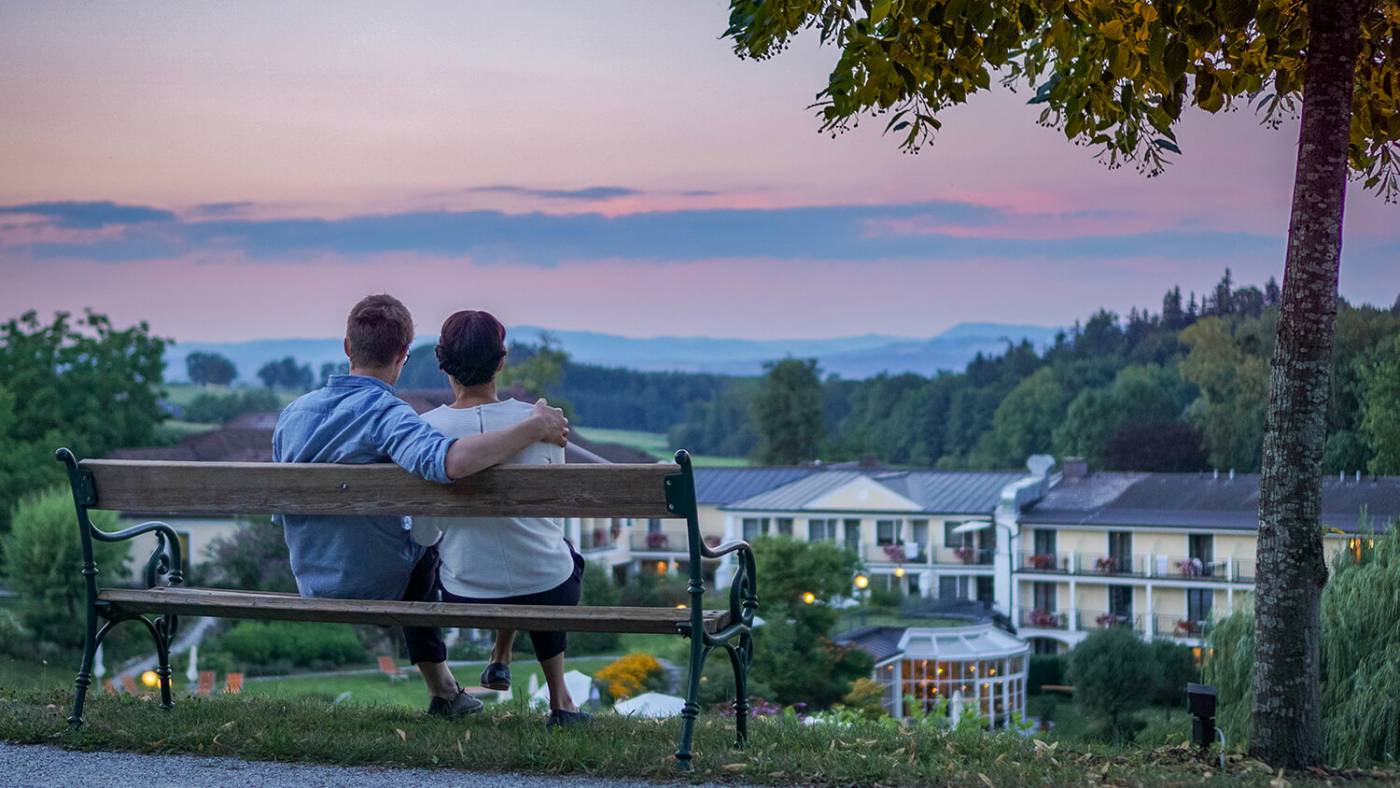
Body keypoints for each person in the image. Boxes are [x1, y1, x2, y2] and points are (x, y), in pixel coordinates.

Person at [273, 294, 569, 719]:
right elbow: (451, 463)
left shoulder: (293, 414)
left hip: (313, 577)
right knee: (425, 544)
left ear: (346, 347)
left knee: (424, 534)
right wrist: (533, 427)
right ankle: (444, 691)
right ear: (403, 355)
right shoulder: (389, 416)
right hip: (376, 581)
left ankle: (450, 688)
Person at [416, 309, 590, 727]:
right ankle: (561, 702)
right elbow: (553, 519)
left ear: (443, 361)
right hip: (547, 583)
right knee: (555, 557)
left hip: (468, 590)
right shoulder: (544, 423)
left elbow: (424, 536)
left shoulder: (423, 431)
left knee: (494, 551)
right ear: (501, 360)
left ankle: (500, 656)